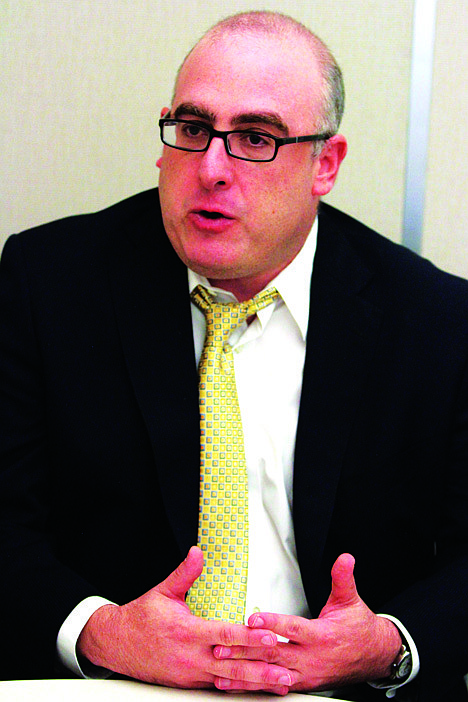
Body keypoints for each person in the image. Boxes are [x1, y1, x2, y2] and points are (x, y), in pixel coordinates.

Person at [1, 10, 468, 701]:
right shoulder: (49, 283)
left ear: (325, 164)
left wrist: (389, 644)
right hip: (117, 688)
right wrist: (100, 631)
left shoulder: (433, 322)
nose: (212, 169)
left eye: (255, 137)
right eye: (193, 131)